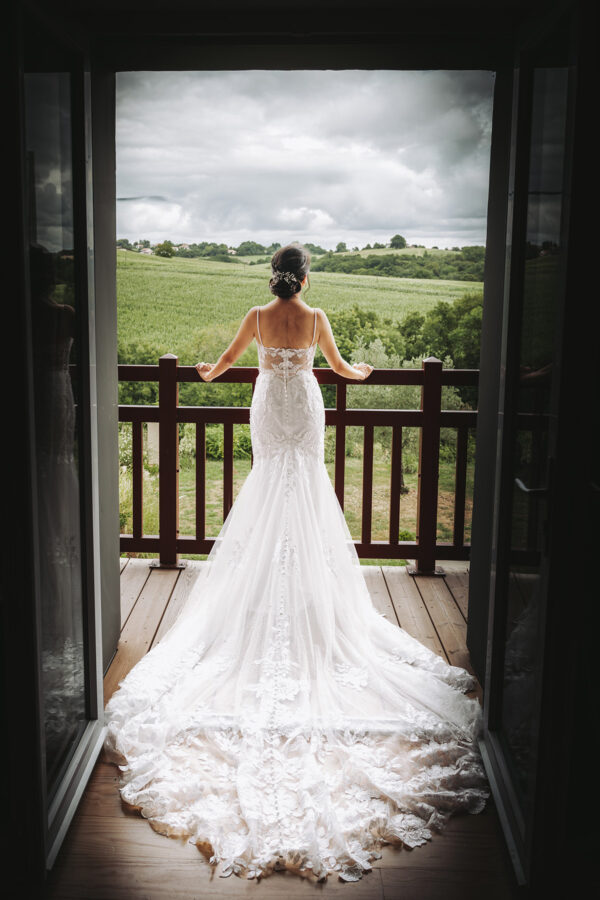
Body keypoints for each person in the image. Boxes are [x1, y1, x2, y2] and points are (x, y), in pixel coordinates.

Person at [104, 242, 489, 883]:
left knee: (269, 486)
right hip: (303, 410)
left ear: (272, 279)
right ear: (304, 279)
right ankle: (311, 593)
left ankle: (265, 593)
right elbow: (340, 369)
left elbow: (222, 367)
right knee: (307, 490)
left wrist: (202, 370)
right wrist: (363, 373)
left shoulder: (257, 316)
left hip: (268, 410)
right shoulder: (317, 319)